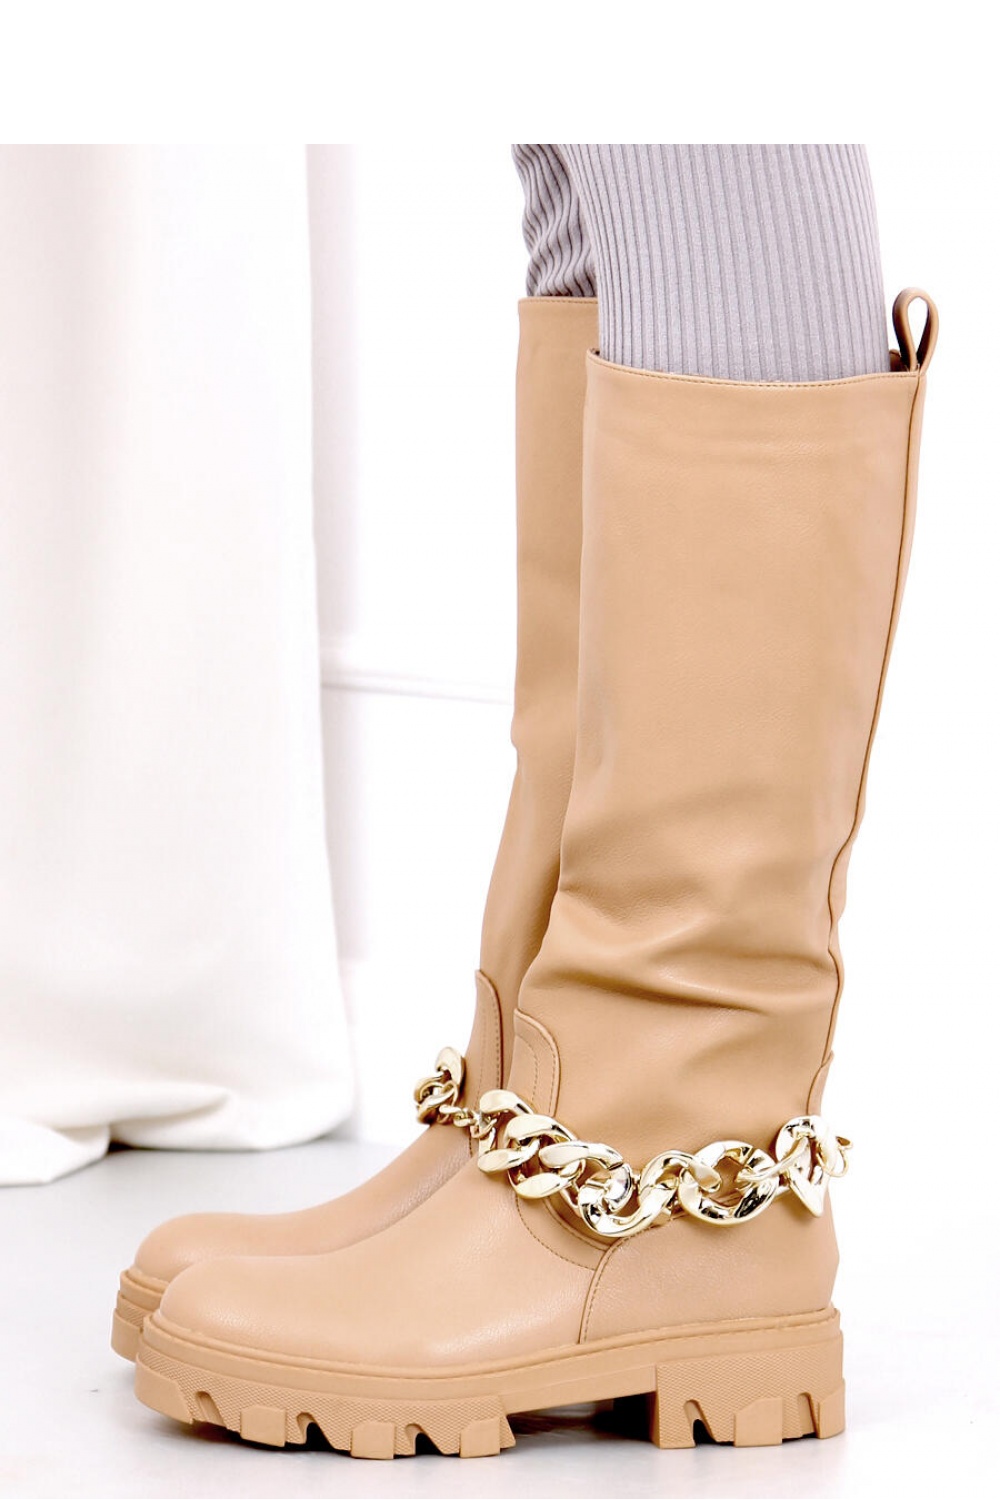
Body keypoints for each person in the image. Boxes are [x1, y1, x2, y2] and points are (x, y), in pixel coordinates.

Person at [118, 146, 937, 1459]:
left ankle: (665, 1174)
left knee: (709, 123)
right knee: (592, 143)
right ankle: (544, 1122)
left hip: (664, 1190)